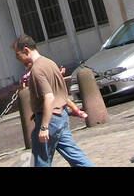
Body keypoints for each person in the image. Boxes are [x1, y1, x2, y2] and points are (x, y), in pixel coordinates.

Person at [12, 35, 94, 168]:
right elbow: (60, 93)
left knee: (40, 162)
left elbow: (49, 97)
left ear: (26, 50)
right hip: (62, 116)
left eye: (18, 55)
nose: (18, 60)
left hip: (49, 119)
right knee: (76, 156)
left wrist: (44, 127)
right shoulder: (50, 63)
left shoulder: (37, 70)